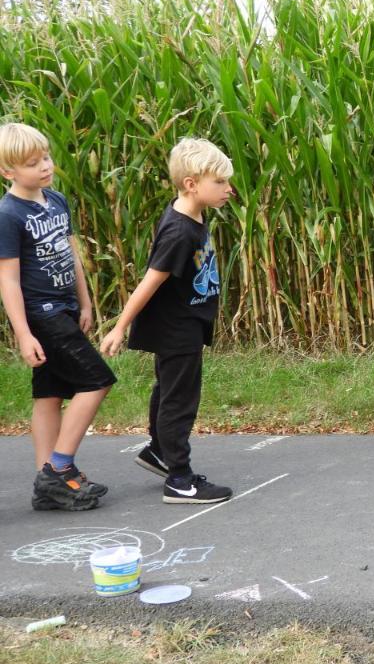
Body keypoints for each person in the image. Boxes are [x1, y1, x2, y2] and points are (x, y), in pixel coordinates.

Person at [100, 138, 235, 504]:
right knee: (180, 399)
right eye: (220, 183)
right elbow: (149, 281)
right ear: (191, 184)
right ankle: (179, 478)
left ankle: (159, 451)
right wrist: (119, 327)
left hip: (181, 321)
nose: (228, 189)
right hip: (177, 329)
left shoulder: (190, 212)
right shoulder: (180, 231)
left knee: (167, 391)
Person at [0, 122, 115, 511]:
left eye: (46, 158)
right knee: (97, 380)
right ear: (8, 171)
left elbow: (72, 255)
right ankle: (59, 467)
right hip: (41, 314)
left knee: (49, 394)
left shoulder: (57, 200)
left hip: (65, 307)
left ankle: (46, 482)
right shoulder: (8, 214)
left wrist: (85, 303)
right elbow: (9, 278)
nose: (45, 166)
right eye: (33, 163)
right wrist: (22, 333)